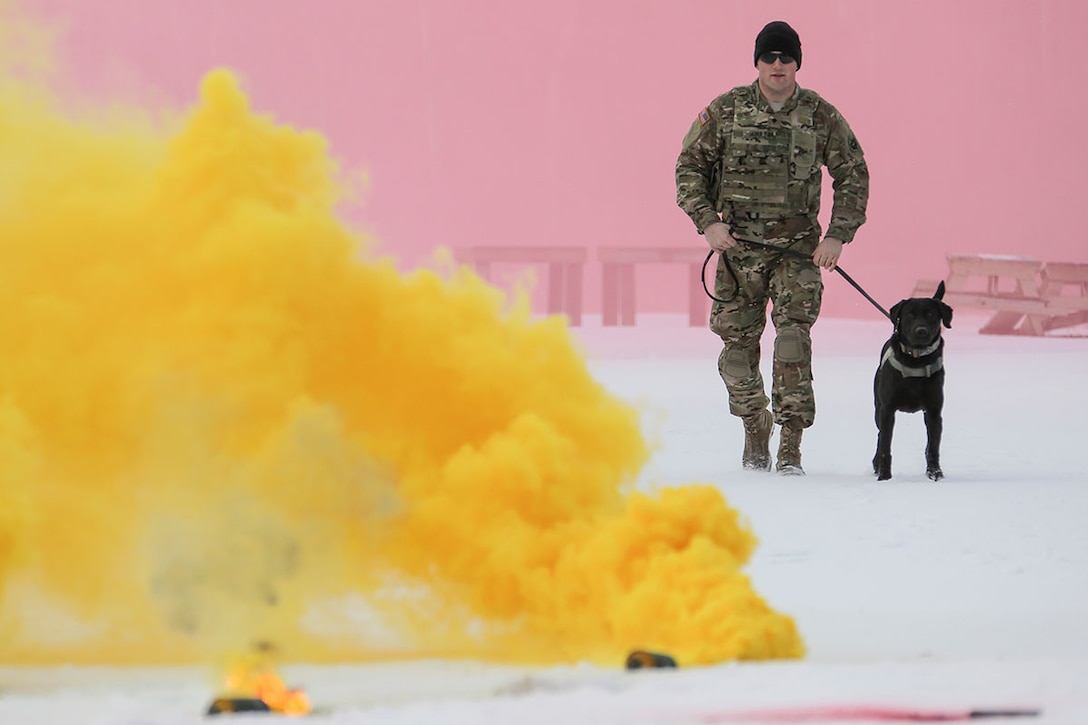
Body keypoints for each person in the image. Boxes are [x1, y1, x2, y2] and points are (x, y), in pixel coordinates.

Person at [675, 20, 869, 475]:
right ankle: (754, 424)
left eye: (786, 57)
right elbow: (689, 169)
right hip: (738, 250)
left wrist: (838, 235)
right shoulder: (727, 111)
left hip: (797, 253)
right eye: (770, 57)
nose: (777, 65)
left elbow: (853, 173)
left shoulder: (820, 115)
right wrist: (708, 224)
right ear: (757, 62)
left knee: (792, 344)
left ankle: (791, 445)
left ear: (797, 62)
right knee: (737, 355)